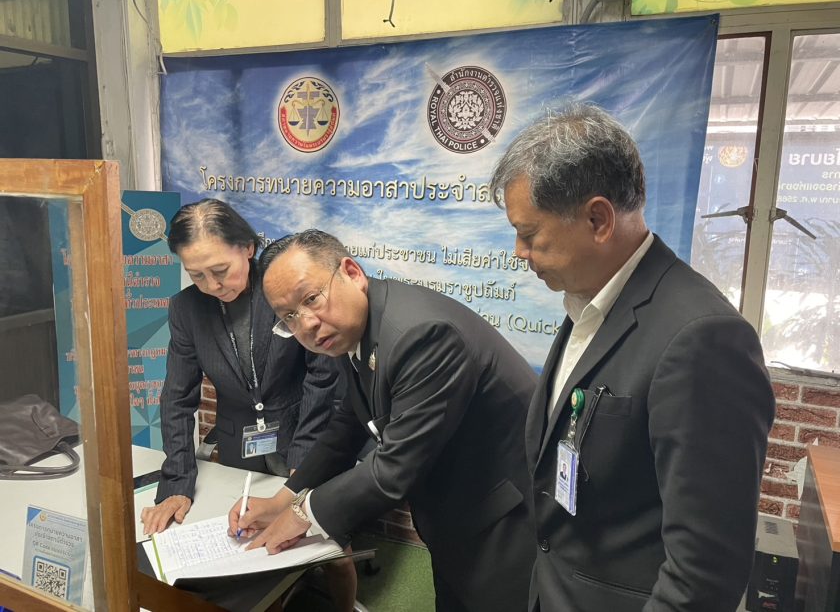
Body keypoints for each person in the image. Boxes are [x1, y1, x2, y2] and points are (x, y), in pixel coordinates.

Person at [489, 102, 776, 612]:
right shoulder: (591, 302)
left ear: (598, 219)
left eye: (529, 234)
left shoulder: (701, 339)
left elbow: (704, 574)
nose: (518, 252)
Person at [228, 229, 538, 612]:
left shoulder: (422, 335)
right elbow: (349, 423)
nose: (306, 324)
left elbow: (393, 468)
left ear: (352, 273)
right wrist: (285, 497)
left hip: (505, 519)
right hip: (454, 513)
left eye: (311, 299)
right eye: (289, 316)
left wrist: (303, 513)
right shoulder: (353, 328)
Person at [139, 200, 356, 610]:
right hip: (240, 443)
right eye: (197, 275)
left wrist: (304, 460)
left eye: (220, 270)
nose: (211, 284)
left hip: (304, 431)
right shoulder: (186, 309)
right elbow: (177, 396)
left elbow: (323, 375)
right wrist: (177, 483)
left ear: (248, 248)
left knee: (332, 549)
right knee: (249, 545)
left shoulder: (280, 289)